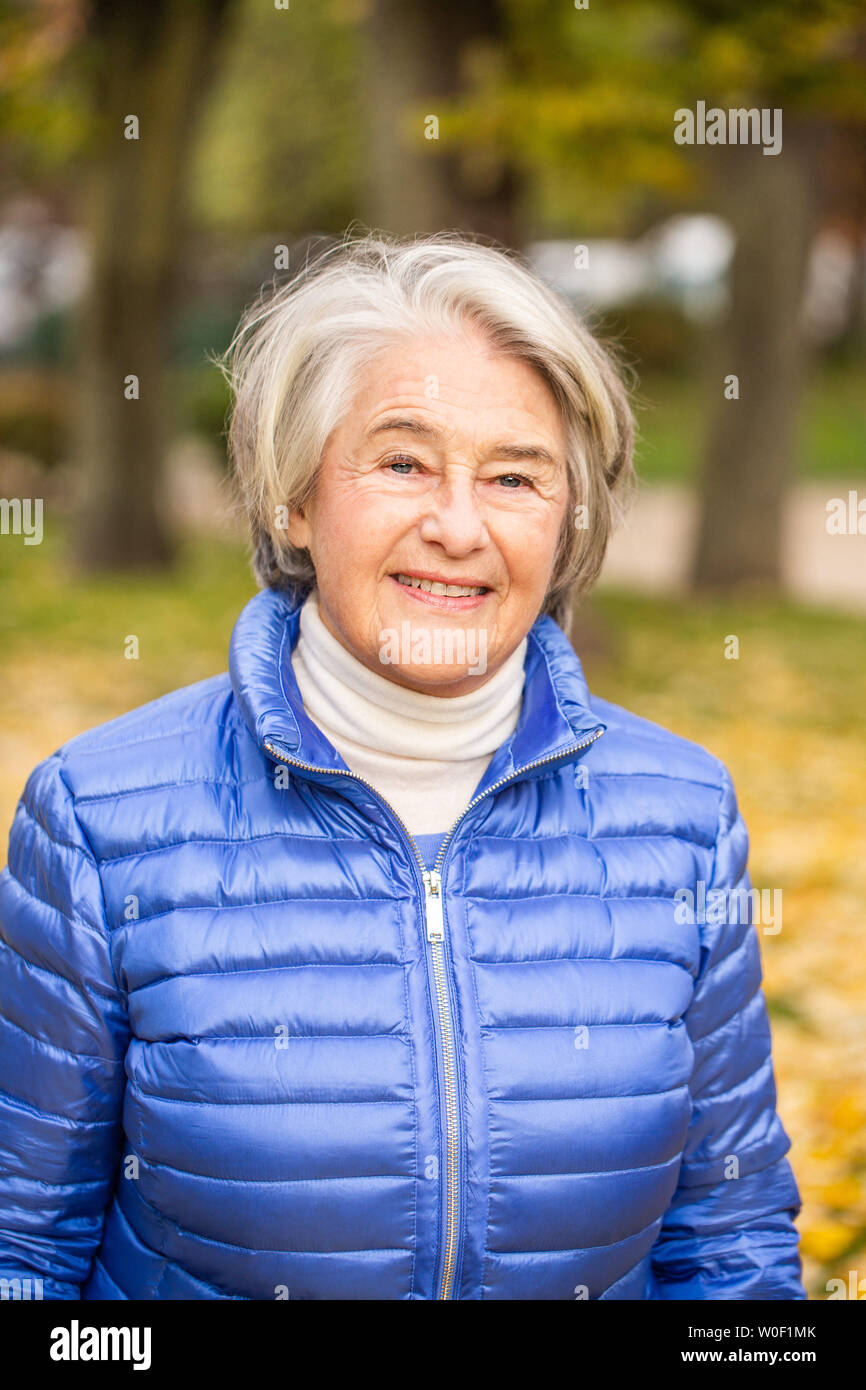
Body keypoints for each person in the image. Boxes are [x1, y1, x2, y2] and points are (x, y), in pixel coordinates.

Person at [0, 231, 805, 1300]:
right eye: (402, 462)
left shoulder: (681, 815)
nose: (457, 526)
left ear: (566, 525)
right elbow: (24, 1254)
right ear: (293, 497)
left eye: (515, 476)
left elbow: (731, 1242)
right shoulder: (99, 818)